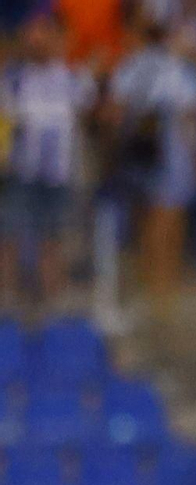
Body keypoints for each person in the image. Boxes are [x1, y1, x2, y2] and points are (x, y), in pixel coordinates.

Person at [106, 17, 196, 310]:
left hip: (137, 155)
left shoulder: (129, 67)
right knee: (167, 221)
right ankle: (162, 289)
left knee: (144, 220)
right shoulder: (179, 71)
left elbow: (115, 113)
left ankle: (147, 283)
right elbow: (192, 117)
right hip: (171, 156)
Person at [0, 15, 94, 307]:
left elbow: (86, 119)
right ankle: (7, 301)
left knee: (51, 238)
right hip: (21, 172)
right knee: (9, 236)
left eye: (45, 38)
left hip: (58, 173)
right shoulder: (13, 79)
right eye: (34, 39)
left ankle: (52, 303)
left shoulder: (73, 79)